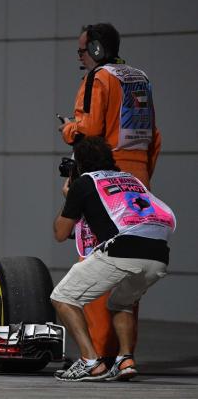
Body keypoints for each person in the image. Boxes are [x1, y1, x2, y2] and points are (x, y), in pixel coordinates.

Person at [58, 23, 163, 361]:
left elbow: (88, 131)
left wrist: (68, 130)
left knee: (96, 261)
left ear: (98, 50)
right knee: (129, 268)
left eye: (82, 50)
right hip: (138, 179)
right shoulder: (139, 77)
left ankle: (98, 354)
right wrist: (141, 178)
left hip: (104, 180)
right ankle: (123, 354)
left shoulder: (98, 78)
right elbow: (155, 139)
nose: (80, 56)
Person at [51, 136, 175, 382]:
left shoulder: (84, 183)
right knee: (121, 303)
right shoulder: (132, 179)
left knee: (63, 297)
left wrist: (69, 195)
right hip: (159, 254)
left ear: (79, 165)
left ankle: (89, 361)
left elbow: (60, 233)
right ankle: (125, 359)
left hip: (124, 249)